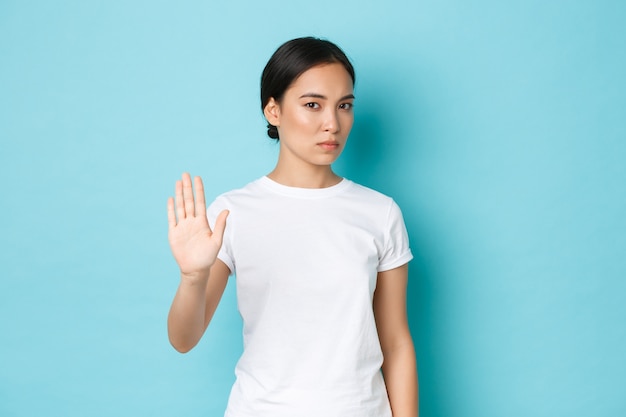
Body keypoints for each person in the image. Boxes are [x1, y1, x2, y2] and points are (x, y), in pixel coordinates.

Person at [167, 37, 418, 417]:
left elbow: (396, 342)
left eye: (344, 106)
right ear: (273, 110)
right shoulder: (232, 213)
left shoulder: (380, 213)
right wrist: (192, 276)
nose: (332, 123)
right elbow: (183, 339)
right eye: (313, 105)